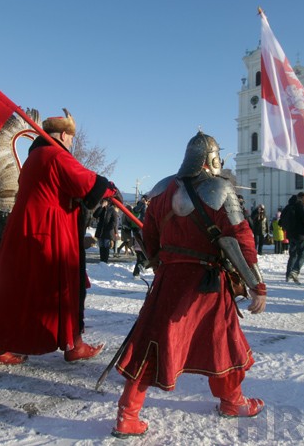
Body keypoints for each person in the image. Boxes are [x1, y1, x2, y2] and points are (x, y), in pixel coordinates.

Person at [111, 131, 267, 438]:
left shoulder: (161, 190)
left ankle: (127, 414)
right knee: (223, 342)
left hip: (169, 280)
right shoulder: (220, 189)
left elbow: (150, 240)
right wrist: (256, 285)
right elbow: (241, 237)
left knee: (152, 343)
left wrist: (161, 264)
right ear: (211, 160)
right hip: (206, 283)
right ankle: (232, 401)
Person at [0, 111, 116, 366]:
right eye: (70, 137)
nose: (71, 142)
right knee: (64, 290)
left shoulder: (35, 156)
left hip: (26, 231)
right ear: (64, 134)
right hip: (49, 235)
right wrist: (111, 188)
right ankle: (74, 345)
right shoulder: (56, 155)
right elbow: (87, 183)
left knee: (16, 291)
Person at [281, 192, 304, 283]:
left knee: (293, 255)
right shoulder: (301, 206)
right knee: (302, 254)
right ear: (303, 198)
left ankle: (288, 275)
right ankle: (295, 271)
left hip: (290, 234)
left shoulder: (288, 206)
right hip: (300, 235)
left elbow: (281, 220)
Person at [94, 198, 119, 263]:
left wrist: (109, 228)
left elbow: (114, 221)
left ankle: (105, 260)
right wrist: (101, 207)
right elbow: (95, 215)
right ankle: (101, 260)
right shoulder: (101, 209)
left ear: (108, 202)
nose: (104, 202)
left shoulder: (112, 209)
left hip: (107, 231)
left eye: (105, 201)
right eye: (102, 201)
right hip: (100, 230)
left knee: (106, 245)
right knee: (101, 245)